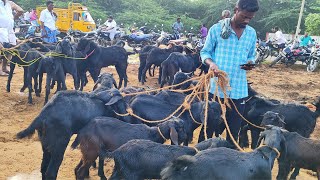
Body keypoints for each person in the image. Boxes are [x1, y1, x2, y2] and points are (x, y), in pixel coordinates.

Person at [200, 0, 259, 146]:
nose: (246, 21)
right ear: (236, 9)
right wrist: (211, 63)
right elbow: (205, 52)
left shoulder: (251, 33)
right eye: (244, 16)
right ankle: (200, 156)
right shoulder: (216, 29)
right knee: (208, 127)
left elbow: (252, 55)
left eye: (250, 18)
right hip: (216, 88)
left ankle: (227, 159)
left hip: (239, 89)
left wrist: (250, 64)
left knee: (234, 130)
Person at [0, 0, 23, 76]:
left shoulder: (9, 3)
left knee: (10, 49)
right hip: (1, 29)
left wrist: (12, 18)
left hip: (9, 30)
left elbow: (20, 10)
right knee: (1, 50)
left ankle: (4, 68)